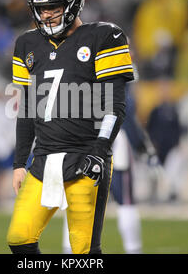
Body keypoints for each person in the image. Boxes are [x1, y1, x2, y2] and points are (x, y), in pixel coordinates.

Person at [6, 0, 136, 254]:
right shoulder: (26, 43)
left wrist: (99, 149)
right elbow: (27, 108)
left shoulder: (104, 37)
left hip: (83, 156)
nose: (46, 15)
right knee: (19, 239)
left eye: (53, 7)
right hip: (43, 161)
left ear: (73, 3)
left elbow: (114, 106)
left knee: (84, 252)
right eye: (41, 9)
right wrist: (19, 162)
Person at [62, 84, 160, 254]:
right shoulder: (114, 70)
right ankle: (133, 249)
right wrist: (141, 147)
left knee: (77, 202)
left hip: (83, 140)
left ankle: (69, 252)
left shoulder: (77, 70)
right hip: (113, 140)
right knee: (125, 202)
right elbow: (125, 112)